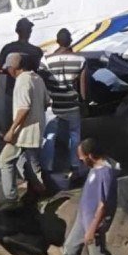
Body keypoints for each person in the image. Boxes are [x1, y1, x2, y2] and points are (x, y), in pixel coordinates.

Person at [45, 138, 128, 255]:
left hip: (93, 222)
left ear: (90, 155)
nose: (80, 159)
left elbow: (103, 206)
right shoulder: (95, 167)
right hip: (84, 218)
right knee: (70, 246)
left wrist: (91, 230)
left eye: (81, 156)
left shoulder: (105, 173)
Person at [0, 52, 50, 203]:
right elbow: (47, 102)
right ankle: (39, 189)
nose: (7, 71)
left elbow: (23, 109)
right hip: (37, 129)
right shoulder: (37, 78)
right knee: (30, 161)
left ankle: (11, 197)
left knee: (4, 160)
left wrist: (11, 130)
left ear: (13, 67)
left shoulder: (22, 81)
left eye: (7, 68)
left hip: (23, 132)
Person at [39, 28, 88, 180]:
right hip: (72, 104)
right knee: (74, 135)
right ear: (71, 41)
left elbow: (43, 83)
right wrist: (84, 103)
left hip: (53, 105)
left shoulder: (46, 60)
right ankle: (75, 165)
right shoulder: (81, 60)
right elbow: (83, 86)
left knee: (49, 135)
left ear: (57, 41)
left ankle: (47, 167)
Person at [0, 17, 44, 133]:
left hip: (11, 88)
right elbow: (37, 71)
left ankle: (10, 137)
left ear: (17, 31)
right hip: (28, 88)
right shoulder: (37, 51)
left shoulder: (8, 48)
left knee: (10, 117)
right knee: (26, 117)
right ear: (30, 32)